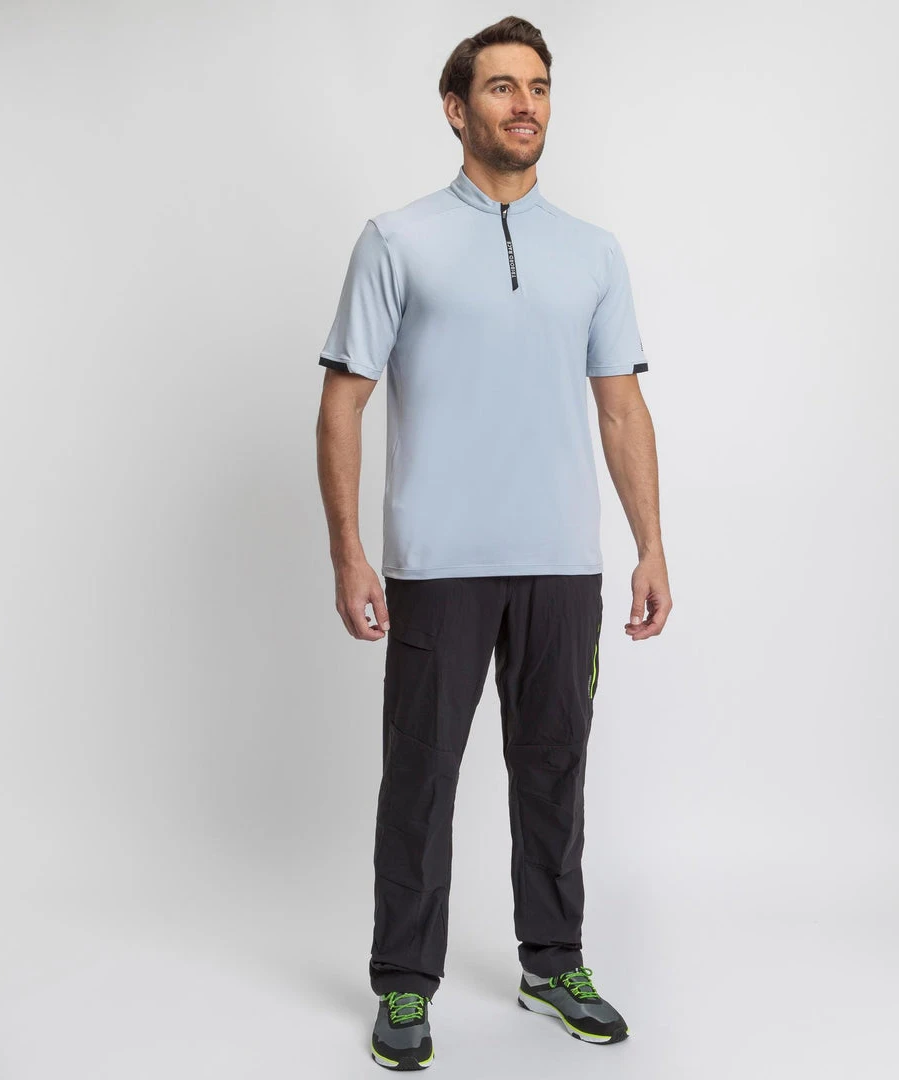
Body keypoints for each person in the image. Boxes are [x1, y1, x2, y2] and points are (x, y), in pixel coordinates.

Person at [315, 15, 671, 1071]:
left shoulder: (592, 251)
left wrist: (651, 545)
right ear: (456, 107)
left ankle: (553, 962)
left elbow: (621, 408)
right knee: (420, 778)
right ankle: (404, 981)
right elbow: (342, 404)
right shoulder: (397, 239)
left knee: (555, 769)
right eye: (503, 86)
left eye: (539, 87)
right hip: (438, 564)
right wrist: (348, 553)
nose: (525, 104)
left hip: (562, 561)